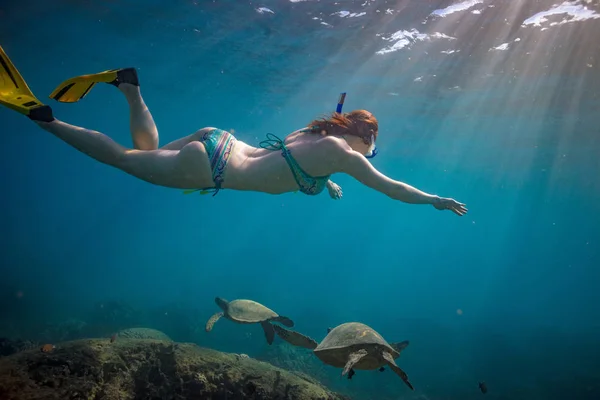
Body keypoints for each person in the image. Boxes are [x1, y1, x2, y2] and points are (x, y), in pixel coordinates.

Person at [0, 45, 467, 216]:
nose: (371, 155)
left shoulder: (312, 134)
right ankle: (43, 117)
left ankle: (129, 88)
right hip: (214, 169)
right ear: (363, 139)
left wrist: (327, 188)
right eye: (373, 147)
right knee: (123, 160)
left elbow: (303, 165)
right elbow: (392, 189)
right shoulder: (347, 157)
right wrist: (434, 200)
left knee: (149, 149)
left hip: (220, 140)